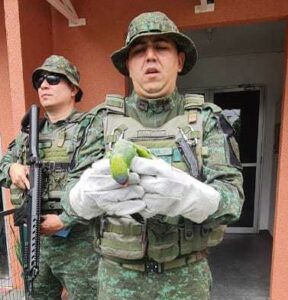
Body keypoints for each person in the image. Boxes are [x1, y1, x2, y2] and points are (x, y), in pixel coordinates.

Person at [67, 11, 244, 299]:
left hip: (185, 279)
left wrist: (195, 196)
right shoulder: (99, 122)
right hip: (117, 280)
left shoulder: (207, 119)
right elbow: (69, 199)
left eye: (161, 47)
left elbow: (233, 199)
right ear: (128, 64)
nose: (150, 56)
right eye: (139, 50)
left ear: (179, 60)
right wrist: (82, 197)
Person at [0, 55, 99, 299]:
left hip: (81, 244)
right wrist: (12, 168)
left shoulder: (92, 128)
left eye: (53, 79)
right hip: (37, 242)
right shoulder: (29, 134)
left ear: (74, 88)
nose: (43, 85)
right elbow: (3, 165)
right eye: (40, 81)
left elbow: (103, 186)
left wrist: (66, 220)